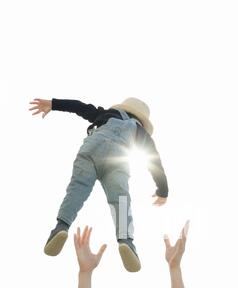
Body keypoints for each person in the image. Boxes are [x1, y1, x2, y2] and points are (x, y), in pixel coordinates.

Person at [29, 97, 169, 272]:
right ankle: (126, 241)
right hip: (117, 160)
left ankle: (61, 228)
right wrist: (162, 190)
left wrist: (54, 104)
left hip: (91, 150)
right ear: (141, 119)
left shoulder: (106, 114)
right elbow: (153, 160)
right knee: (121, 200)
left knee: (76, 190)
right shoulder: (139, 131)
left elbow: (79, 107)